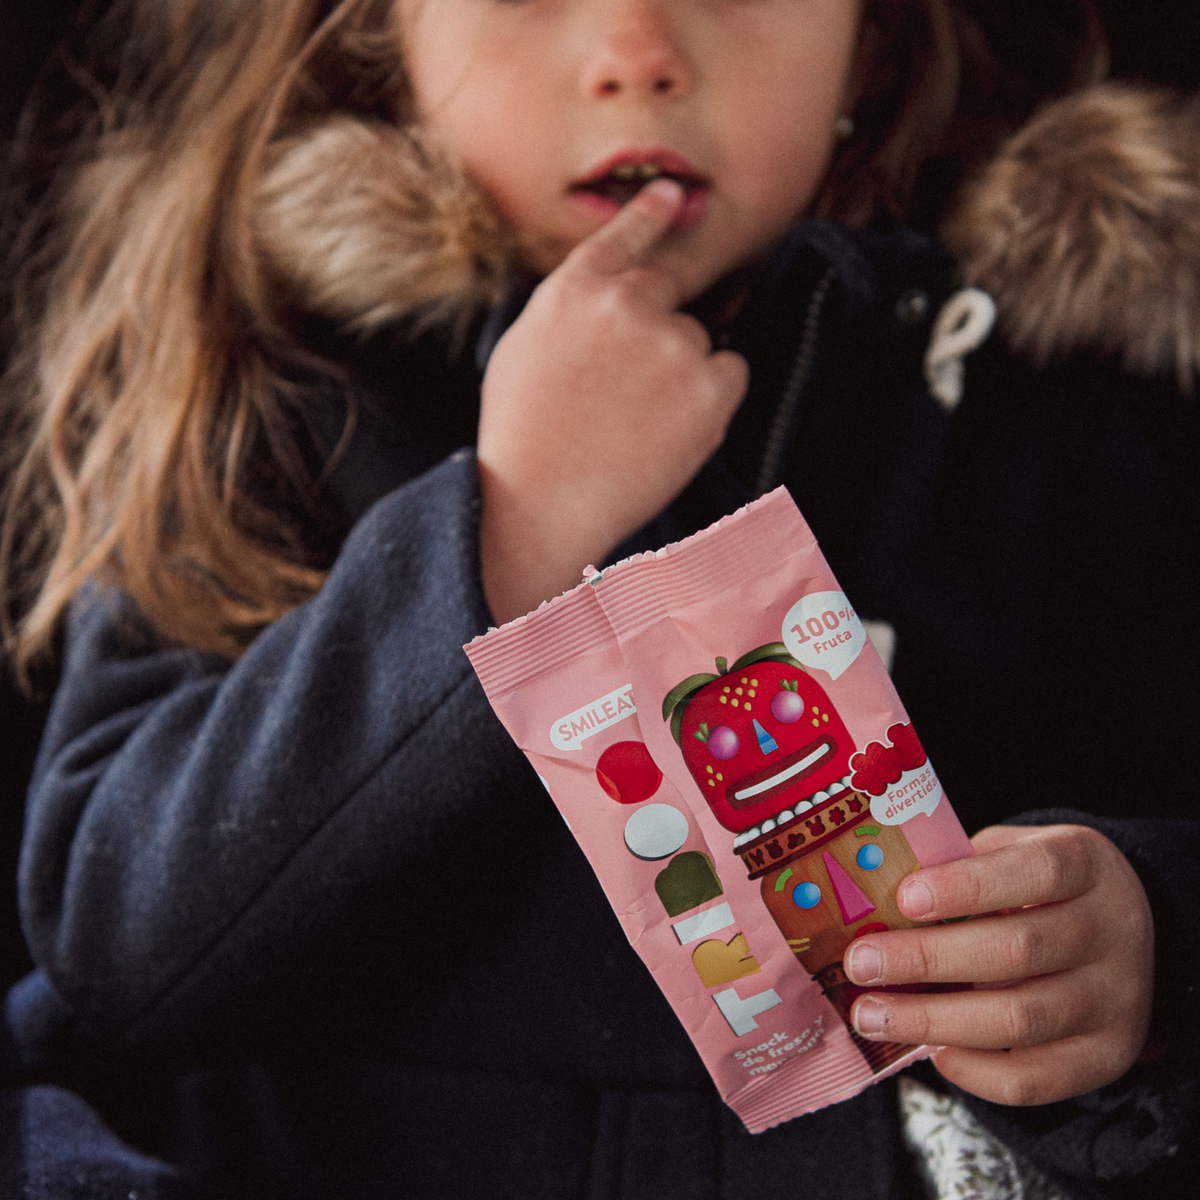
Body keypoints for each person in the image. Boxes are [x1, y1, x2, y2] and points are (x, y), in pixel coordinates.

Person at [1, 0, 1196, 1196]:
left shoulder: (1059, 397)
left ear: (869, 42)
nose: (639, 53)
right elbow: (118, 941)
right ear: (382, 38)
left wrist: (1148, 942)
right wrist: (507, 529)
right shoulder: (274, 382)